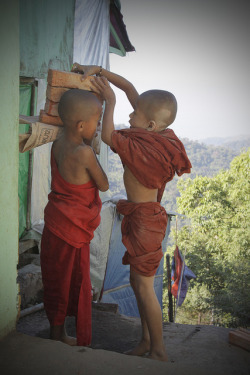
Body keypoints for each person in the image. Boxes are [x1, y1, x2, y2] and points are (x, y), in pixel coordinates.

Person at [72, 63, 192, 361]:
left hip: (145, 221)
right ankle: (146, 341)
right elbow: (128, 88)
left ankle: (159, 350)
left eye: (134, 113)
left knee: (144, 286)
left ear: (150, 125)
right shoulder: (158, 136)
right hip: (146, 217)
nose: (130, 114)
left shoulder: (142, 147)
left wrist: (109, 101)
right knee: (139, 285)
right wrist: (99, 71)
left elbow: (108, 135)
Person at [40, 89, 109, 347]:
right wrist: (91, 146)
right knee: (75, 281)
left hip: (56, 223)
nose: (99, 125)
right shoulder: (85, 153)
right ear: (82, 125)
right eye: (98, 120)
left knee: (56, 278)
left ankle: (56, 333)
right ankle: (69, 336)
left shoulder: (57, 144)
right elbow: (103, 184)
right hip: (74, 228)